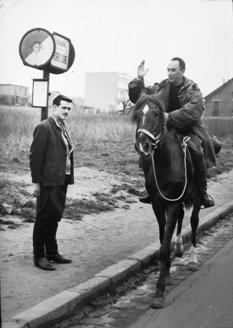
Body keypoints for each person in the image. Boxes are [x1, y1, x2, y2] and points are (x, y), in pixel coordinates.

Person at [128, 58, 216, 208]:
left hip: (188, 131)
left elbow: (193, 111)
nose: (169, 73)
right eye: (168, 70)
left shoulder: (193, 90)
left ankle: (202, 193)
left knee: (197, 151)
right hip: (166, 130)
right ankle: (150, 189)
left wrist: (168, 116)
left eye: (173, 70)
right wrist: (139, 79)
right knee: (146, 149)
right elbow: (140, 97)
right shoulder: (161, 87)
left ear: (182, 71)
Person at [29, 94, 74, 270]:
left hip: (61, 180)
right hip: (48, 181)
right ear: (54, 107)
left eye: (69, 109)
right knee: (43, 218)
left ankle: (52, 252)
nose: (66, 111)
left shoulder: (62, 127)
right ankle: (39, 256)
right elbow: (35, 158)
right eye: (63, 108)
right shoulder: (44, 127)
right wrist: (36, 183)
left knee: (54, 217)